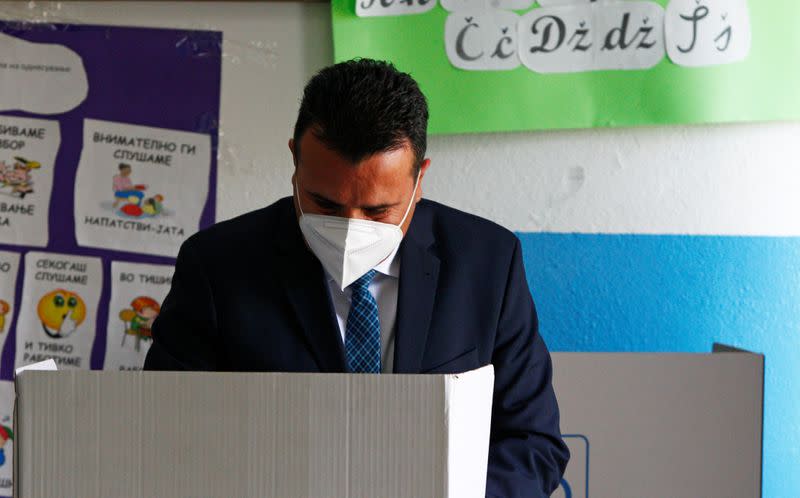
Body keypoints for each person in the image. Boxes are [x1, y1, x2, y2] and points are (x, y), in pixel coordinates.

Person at [144, 59, 569, 497]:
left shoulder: (487, 263)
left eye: (377, 210)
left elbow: (532, 444)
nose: (350, 227)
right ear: (295, 159)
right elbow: (167, 440)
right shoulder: (217, 266)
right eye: (325, 204)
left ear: (419, 179)